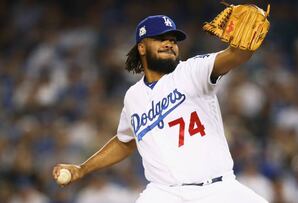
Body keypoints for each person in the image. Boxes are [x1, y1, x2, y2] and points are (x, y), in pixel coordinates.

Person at [53, 14, 269, 203]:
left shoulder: (192, 71)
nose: (169, 43)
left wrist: (243, 48)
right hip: (164, 193)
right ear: (141, 47)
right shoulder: (133, 97)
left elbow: (235, 56)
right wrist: (82, 169)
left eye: (173, 40)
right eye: (160, 38)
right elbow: (124, 141)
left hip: (217, 189)